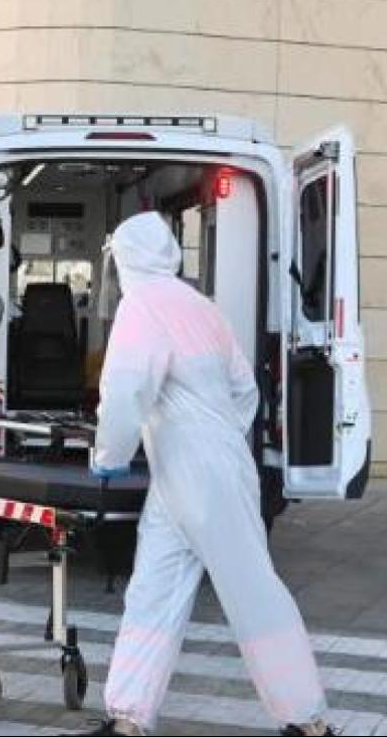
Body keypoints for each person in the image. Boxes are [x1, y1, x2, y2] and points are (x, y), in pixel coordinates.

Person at [81, 212, 331, 737]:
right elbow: (245, 390)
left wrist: (109, 454)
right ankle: (128, 718)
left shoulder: (141, 306)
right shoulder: (201, 306)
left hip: (193, 472)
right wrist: (215, 435)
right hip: (199, 472)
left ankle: (308, 722)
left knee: (251, 590)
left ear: (125, 259)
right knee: (153, 591)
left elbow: (126, 389)